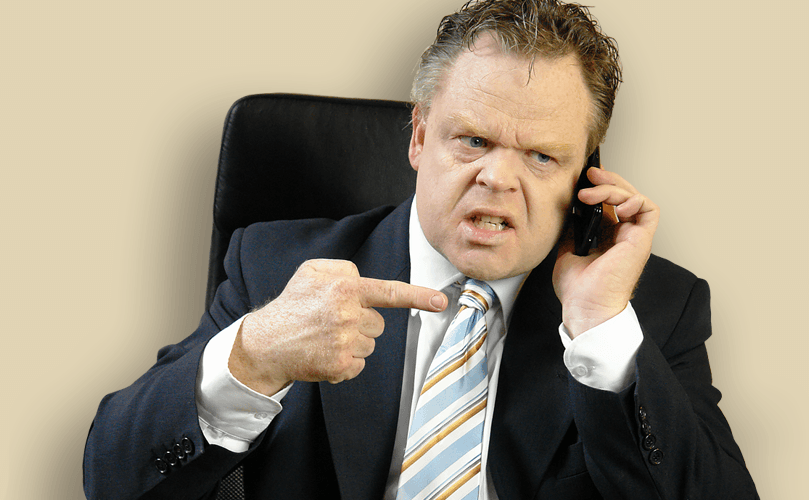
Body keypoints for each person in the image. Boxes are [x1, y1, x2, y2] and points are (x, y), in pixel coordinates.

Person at [83, 0, 758, 498]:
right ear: (418, 137)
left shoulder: (649, 304)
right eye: (473, 141)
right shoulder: (277, 268)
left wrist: (600, 329)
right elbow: (114, 480)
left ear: (585, 176)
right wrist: (253, 356)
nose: (498, 178)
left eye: (542, 156)